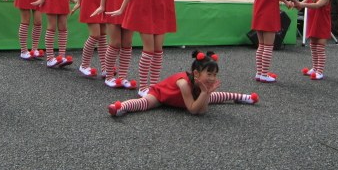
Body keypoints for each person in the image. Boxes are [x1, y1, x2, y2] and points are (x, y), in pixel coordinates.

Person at [108, 52, 257, 117]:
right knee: (144, 103)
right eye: (209, 74)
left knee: (215, 96)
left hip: (185, 100)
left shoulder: (202, 84)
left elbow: (202, 111)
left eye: (215, 75)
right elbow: (193, 110)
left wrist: (207, 93)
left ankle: (243, 96)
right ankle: (121, 107)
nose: (212, 78)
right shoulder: (184, 83)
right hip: (162, 96)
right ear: (196, 74)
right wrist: (205, 94)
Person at [246, 0, 297, 82]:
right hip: (269, 17)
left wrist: (285, 2)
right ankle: (264, 74)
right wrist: (297, 3)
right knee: (268, 47)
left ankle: (259, 73)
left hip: (258, 16)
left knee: (261, 46)